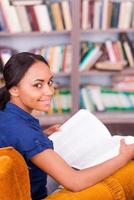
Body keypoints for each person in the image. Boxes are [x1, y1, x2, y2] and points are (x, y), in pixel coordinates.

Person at [0, 52, 134, 200]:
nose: (49, 91)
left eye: (50, 82)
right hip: (35, 195)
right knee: (126, 169)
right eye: (38, 85)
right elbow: (75, 182)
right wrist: (123, 157)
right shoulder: (27, 134)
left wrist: (42, 136)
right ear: (14, 89)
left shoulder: (6, 113)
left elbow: (15, 140)